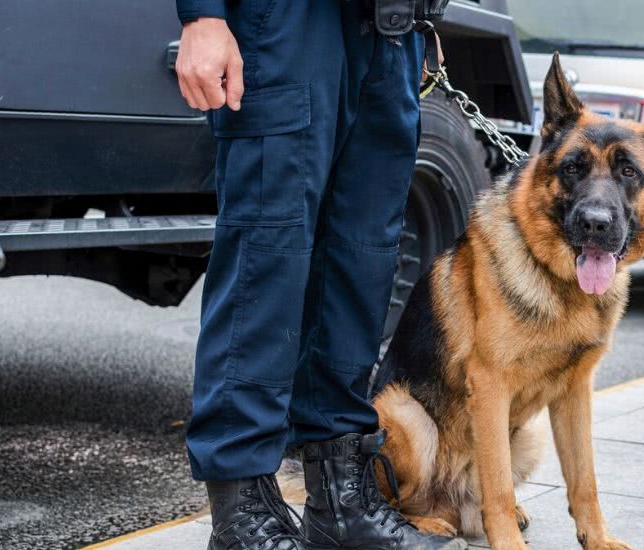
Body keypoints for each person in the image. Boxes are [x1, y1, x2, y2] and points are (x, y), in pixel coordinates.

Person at [173, 1, 464, 548]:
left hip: (389, 29)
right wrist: (203, 15)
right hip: (288, 22)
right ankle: (240, 518)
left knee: (361, 261)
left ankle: (341, 505)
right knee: (267, 259)